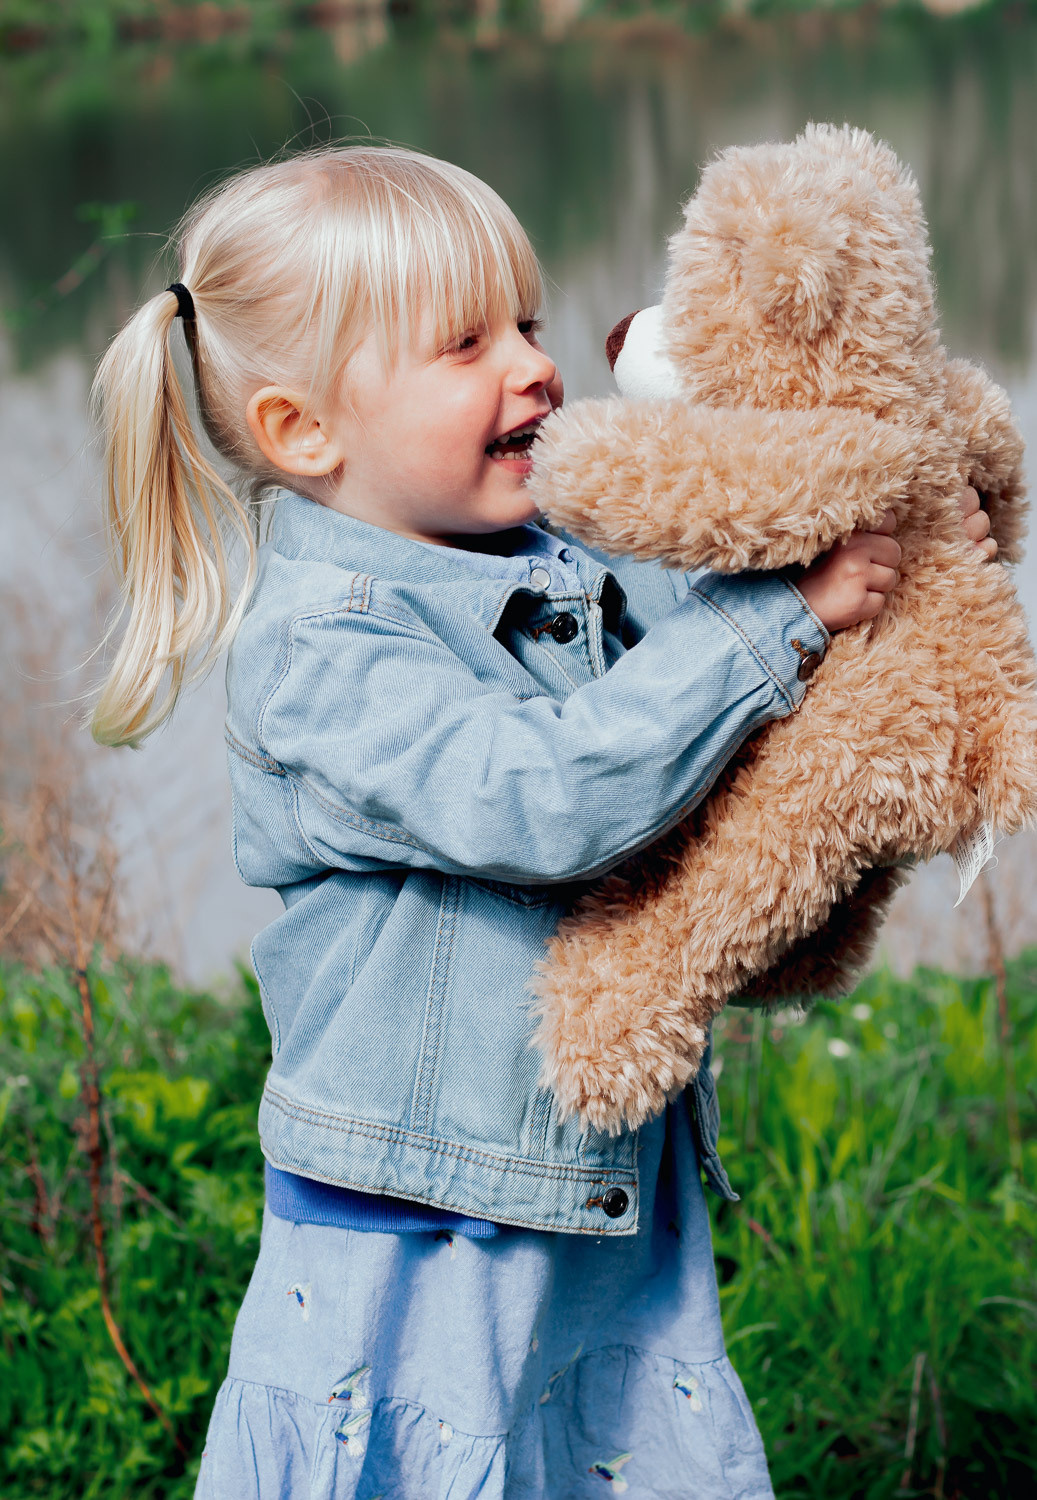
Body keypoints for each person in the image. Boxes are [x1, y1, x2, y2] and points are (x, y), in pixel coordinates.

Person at [91, 145, 993, 1499]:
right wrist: (778, 622)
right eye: (464, 344)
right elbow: (547, 796)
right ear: (303, 433)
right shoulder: (320, 652)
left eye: (525, 321)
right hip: (418, 1223)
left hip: (580, 1183)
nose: (531, 365)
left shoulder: (548, 560)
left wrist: (844, 555)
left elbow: (673, 689)